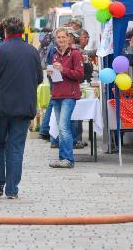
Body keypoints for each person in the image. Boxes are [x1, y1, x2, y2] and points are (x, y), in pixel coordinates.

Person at [0, 17, 43, 199]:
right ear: (21, 31)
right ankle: (12, 189)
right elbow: (39, 78)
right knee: (16, 148)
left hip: (1, 107)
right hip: (24, 107)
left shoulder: (0, 50)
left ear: (5, 31)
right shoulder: (32, 51)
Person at [47, 27, 85, 169]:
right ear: (56, 39)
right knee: (60, 127)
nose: (61, 40)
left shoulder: (75, 54)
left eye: (64, 37)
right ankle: (63, 158)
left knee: (64, 126)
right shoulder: (55, 54)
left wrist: (64, 70)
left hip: (70, 95)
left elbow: (80, 75)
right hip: (57, 94)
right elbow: (56, 76)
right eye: (59, 37)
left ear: (69, 38)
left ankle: (68, 159)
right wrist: (51, 73)